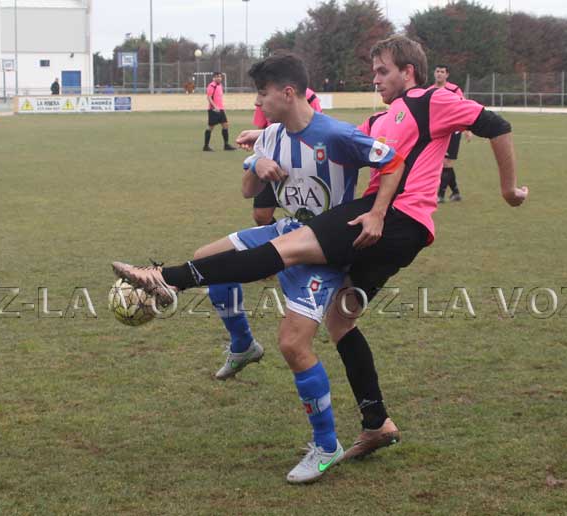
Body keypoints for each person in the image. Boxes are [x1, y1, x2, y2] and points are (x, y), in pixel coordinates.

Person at [112, 35, 528, 457]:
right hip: (386, 230)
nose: (375, 78)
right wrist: (264, 140)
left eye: (383, 70)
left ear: (409, 72)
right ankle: (376, 422)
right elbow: (329, 137)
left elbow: (495, 125)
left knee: (284, 251)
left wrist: (509, 190)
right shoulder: (379, 120)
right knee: (340, 322)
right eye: (374, 70)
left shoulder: (432, 99)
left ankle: (167, 278)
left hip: (395, 219)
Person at [181, 53, 404, 483]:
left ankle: (326, 445)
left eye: (262, 93)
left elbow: (392, 161)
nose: (257, 102)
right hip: (285, 232)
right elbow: (248, 189)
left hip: (323, 251)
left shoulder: (336, 134)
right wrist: (255, 163)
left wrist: (377, 214)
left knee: (293, 345)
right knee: (208, 260)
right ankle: (243, 345)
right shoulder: (270, 135)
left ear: (287, 93)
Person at [249, 87, 322, 226]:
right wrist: (260, 141)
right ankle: (282, 237)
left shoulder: (307, 95)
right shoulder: (264, 97)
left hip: (303, 161)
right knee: (261, 215)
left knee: (308, 212)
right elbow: (262, 127)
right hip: (272, 159)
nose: (258, 101)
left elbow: (317, 126)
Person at [433, 64, 471, 203]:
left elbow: (464, 107)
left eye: (442, 72)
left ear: (447, 75)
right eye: (437, 71)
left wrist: (467, 129)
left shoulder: (454, 89)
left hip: (453, 129)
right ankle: (455, 193)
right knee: (444, 163)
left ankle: (440, 195)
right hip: (438, 130)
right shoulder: (430, 90)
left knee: (446, 162)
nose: (439, 74)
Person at [203, 72, 235, 151]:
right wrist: (215, 106)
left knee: (225, 125)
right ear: (213, 78)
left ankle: (226, 145)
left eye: (220, 77)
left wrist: (221, 107)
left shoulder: (220, 85)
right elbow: (209, 97)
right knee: (210, 127)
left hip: (221, 109)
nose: (219, 78)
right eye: (217, 77)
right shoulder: (211, 86)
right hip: (213, 110)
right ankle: (206, 146)